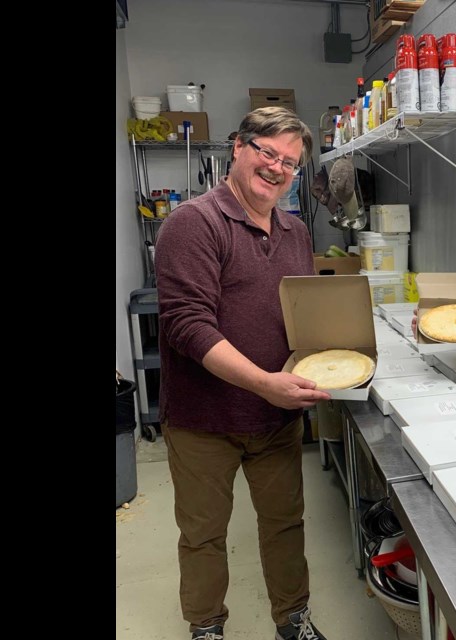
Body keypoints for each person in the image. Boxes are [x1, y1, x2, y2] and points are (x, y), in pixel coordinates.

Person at [155, 106, 333, 640]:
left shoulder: (295, 230)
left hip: (274, 417)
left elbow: (300, 314)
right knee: (204, 533)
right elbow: (187, 325)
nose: (278, 169)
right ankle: (206, 626)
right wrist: (265, 382)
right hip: (203, 420)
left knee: (284, 524)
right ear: (238, 147)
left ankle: (293, 620)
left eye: (290, 162)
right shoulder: (194, 222)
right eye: (268, 153)